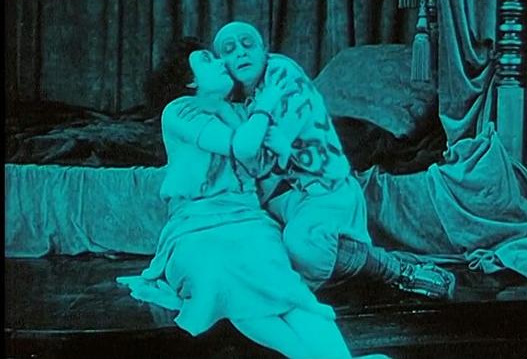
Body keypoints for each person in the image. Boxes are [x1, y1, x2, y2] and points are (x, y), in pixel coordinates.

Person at [117, 46, 353, 359]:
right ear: (190, 81)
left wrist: (273, 138)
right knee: (223, 278)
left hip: (248, 220)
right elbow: (239, 145)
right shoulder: (179, 111)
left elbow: (265, 165)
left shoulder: (242, 113)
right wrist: (264, 108)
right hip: (195, 227)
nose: (221, 62)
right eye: (207, 59)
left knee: (283, 287)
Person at [209, 21, 456, 298]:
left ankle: (396, 270)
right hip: (286, 197)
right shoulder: (239, 101)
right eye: (229, 49)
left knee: (302, 247)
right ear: (222, 64)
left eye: (248, 44)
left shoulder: (281, 74)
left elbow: (259, 158)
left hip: (324, 189)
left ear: (264, 50)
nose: (241, 52)